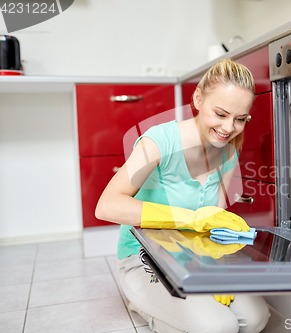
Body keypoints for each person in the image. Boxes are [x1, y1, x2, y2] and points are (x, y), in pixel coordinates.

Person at [95, 59, 270, 333]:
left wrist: (217, 270)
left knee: (256, 317)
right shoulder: (159, 141)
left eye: (240, 119)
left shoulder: (228, 152)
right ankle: (143, 304)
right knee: (218, 326)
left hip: (194, 257)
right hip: (145, 258)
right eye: (221, 114)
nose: (228, 128)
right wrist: (190, 218)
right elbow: (107, 206)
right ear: (198, 98)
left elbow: (212, 224)